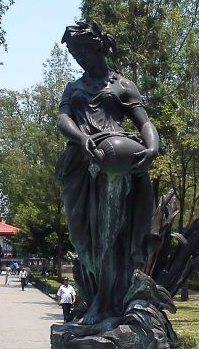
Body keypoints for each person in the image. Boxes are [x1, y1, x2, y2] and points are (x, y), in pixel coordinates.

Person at [56, 21, 159, 325]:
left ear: (97, 49)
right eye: (75, 55)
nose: (79, 59)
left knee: (109, 234)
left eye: (82, 53)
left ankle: (105, 304)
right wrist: (81, 138)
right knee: (82, 237)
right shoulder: (73, 87)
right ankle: (97, 300)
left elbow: (144, 122)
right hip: (81, 162)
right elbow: (63, 119)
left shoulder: (122, 85)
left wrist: (153, 148)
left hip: (115, 163)